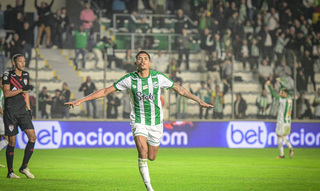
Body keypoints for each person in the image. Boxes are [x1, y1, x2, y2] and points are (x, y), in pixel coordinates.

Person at [65, 51, 213, 191]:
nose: (143, 60)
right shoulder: (129, 79)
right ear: (135, 62)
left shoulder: (158, 78)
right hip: (138, 121)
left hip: (156, 123)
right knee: (142, 151)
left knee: (151, 157)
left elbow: (180, 89)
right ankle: (149, 188)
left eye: (145, 58)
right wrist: (81, 100)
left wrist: (198, 100)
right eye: (140, 58)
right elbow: (105, 91)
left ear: (149, 63)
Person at [2, 54, 35, 178]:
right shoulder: (8, 75)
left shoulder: (26, 75)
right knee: (12, 141)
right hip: (11, 113)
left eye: (24, 61)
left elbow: (25, 93)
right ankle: (10, 172)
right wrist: (22, 89)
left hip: (23, 112)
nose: (23, 63)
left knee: (33, 137)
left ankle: (24, 167)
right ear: (14, 63)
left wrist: (29, 110)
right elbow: (6, 93)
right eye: (20, 61)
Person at [266, 80, 294, 159]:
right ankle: (290, 148)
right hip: (288, 122)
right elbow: (284, 90)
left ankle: (283, 154)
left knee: (279, 137)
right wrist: (280, 83)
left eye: (282, 93)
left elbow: (274, 94)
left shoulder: (283, 100)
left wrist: (269, 86)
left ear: (285, 94)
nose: (280, 94)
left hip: (281, 122)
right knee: (284, 137)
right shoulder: (289, 98)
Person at [0, 77, 8, 168]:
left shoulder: (3, 91)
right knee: (7, 139)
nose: (3, 83)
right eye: (2, 82)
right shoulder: (0, 91)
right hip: (0, 118)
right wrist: (3, 114)